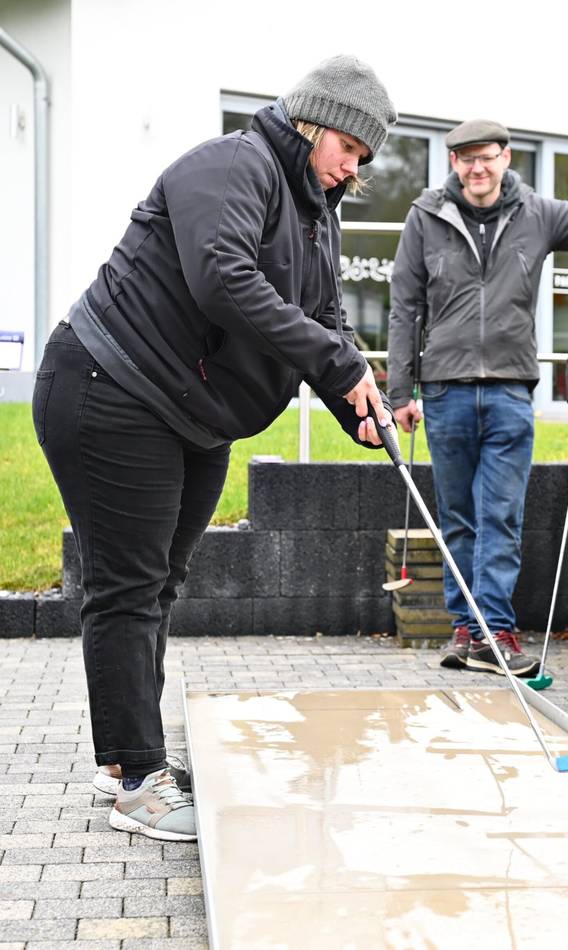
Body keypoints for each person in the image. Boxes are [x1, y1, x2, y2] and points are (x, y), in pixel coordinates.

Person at [32, 55, 397, 840]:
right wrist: (338, 364)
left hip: (190, 412)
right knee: (128, 586)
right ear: (315, 123)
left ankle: (126, 756)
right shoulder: (232, 164)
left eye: (363, 158)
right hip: (110, 385)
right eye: (349, 147)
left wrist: (361, 403)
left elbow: (325, 322)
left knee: (160, 582)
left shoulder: (316, 211)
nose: (352, 167)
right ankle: (140, 783)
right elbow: (222, 279)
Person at [388, 119, 568, 677]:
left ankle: (493, 631)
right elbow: (405, 307)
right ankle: (467, 627)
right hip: (444, 389)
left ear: (506, 157)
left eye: (487, 157)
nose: (478, 168)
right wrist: (400, 392)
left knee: (500, 517)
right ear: (453, 162)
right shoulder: (426, 215)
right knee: (458, 519)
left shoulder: (539, 213)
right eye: (467, 158)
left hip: (510, 389)